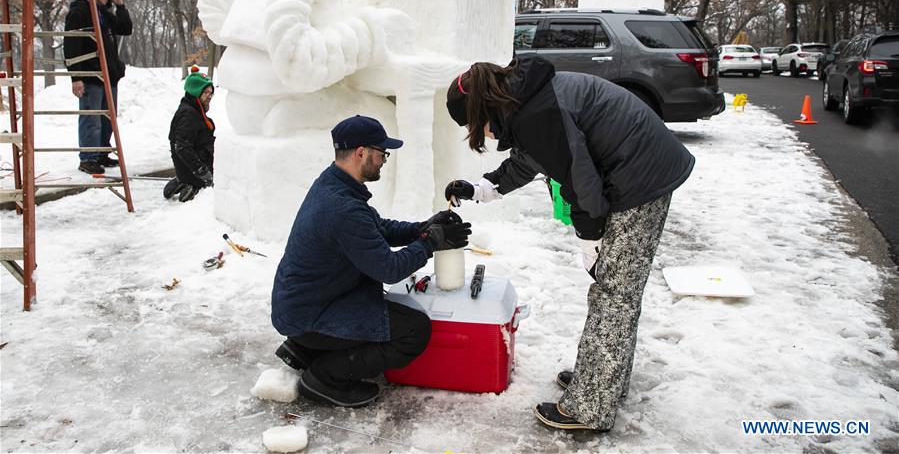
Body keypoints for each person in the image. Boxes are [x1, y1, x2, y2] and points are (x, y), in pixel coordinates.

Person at [443, 56, 694, 432]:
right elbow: (529, 160)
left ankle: (591, 406)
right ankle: (602, 382)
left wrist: (591, 240)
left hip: (641, 176)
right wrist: (480, 189)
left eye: (472, 125)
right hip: (638, 166)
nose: (479, 134)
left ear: (482, 110)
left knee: (614, 294)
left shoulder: (538, 112)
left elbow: (581, 182)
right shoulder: (526, 99)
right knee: (615, 292)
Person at [271, 115, 471, 408]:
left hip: (305, 305)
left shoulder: (334, 184)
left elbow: (376, 228)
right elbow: (389, 269)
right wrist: (430, 243)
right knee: (414, 330)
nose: (384, 161)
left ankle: (306, 350)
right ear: (361, 152)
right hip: (310, 314)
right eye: (382, 153)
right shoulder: (343, 208)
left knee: (374, 298)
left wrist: (423, 228)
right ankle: (325, 376)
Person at [64, 0, 133, 174]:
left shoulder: (103, 12)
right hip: (90, 74)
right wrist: (76, 77)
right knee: (91, 118)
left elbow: (125, 29)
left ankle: (102, 152)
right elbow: (71, 46)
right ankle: (88, 157)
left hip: (108, 74)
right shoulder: (80, 12)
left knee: (107, 118)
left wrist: (120, 6)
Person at [163, 67, 215, 203]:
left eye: (211, 93)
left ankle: (184, 180)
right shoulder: (188, 114)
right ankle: (192, 184)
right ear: (196, 92)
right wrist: (203, 173)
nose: (210, 96)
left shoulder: (192, 109)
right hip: (195, 171)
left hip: (188, 169)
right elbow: (182, 147)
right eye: (206, 92)